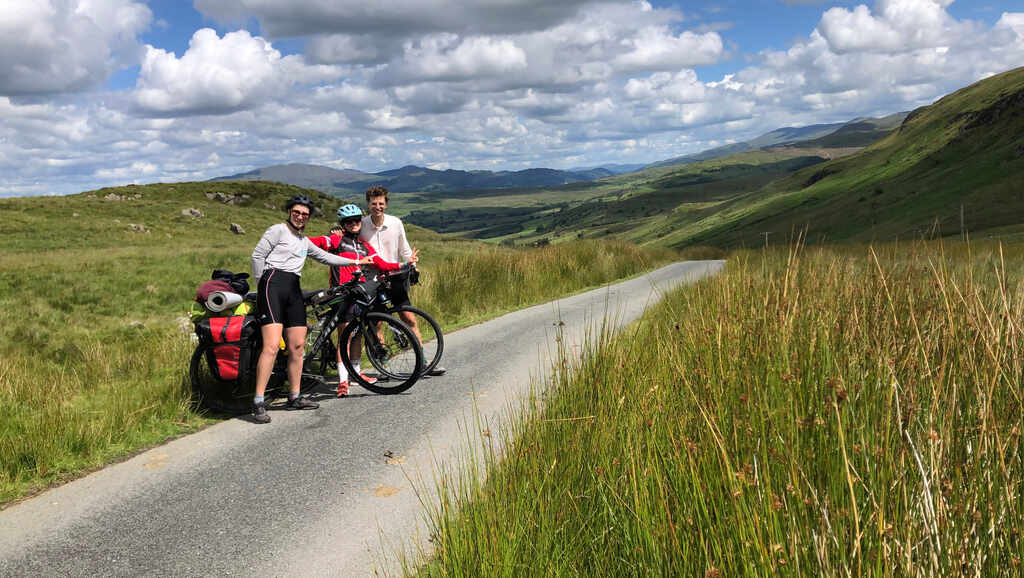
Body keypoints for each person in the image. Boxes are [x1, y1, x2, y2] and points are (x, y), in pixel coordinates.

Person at [250, 194, 374, 424]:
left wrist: (357, 262)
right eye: (296, 212)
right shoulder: (277, 230)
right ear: (290, 212)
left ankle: (294, 396)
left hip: (293, 288)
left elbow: (327, 258)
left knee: (297, 346)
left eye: (304, 214)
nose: (300, 216)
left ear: (308, 217)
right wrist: (261, 285)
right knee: (272, 346)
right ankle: (258, 400)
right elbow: (257, 256)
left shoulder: (304, 242)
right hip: (272, 284)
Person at [309, 204, 418, 396]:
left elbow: (382, 264)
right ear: (343, 224)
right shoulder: (336, 240)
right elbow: (313, 242)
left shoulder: (364, 246)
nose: (354, 224)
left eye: (357, 220)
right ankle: (343, 381)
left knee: (357, 335)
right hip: (342, 294)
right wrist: (292, 241)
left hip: (360, 294)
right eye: (349, 222)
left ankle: (356, 373)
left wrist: (404, 263)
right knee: (346, 337)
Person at [359, 186, 447, 376]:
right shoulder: (362, 225)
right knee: (377, 324)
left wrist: (412, 264)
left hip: (394, 278)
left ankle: (423, 362)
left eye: (381, 203)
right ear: (367, 204)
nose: (377, 207)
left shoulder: (395, 223)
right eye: (373, 203)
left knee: (408, 318)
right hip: (372, 280)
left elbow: (404, 249)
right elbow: (348, 237)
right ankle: (384, 365)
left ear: (386, 204)